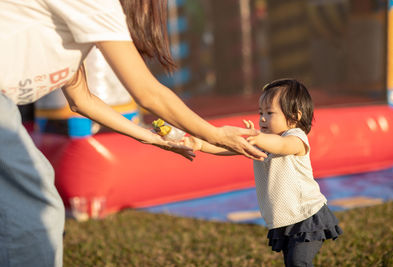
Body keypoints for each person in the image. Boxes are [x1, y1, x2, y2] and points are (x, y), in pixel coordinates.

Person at [0, 1, 267, 266]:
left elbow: (82, 101)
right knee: (38, 207)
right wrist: (216, 134)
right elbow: (148, 94)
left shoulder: (71, 33)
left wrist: (149, 136)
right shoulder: (97, 4)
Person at [183, 78, 343, 267]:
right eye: (261, 113)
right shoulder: (266, 140)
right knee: (292, 262)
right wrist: (201, 144)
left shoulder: (296, 137)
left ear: (294, 116)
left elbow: (283, 146)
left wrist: (258, 138)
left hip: (306, 215)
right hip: (286, 219)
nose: (262, 118)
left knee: (298, 262)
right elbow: (231, 147)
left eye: (270, 113)